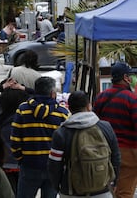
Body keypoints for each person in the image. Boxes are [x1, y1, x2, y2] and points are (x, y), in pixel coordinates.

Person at [48, 91, 121, 198]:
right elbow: (116, 157)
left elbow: (54, 165)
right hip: (102, 189)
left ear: (70, 108)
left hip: (71, 190)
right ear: (89, 106)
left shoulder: (61, 133)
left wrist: (57, 186)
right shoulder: (106, 127)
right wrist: (114, 181)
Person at [10, 76, 70, 198]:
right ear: (53, 94)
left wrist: (21, 159)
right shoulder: (63, 113)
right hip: (54, 167)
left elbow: (15, 140)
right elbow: (69, 142)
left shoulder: (23, 110)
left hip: (29, 165)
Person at [0, 78, 33, 195]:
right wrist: (22, 87)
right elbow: (39, 95)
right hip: (24, 158)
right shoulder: (29, 108)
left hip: (3, 158)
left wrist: (3, 87)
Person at [93, 62, 137, 198]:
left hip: (104, 151)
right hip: (128, 152)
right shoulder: (132, 99)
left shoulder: (101, 97)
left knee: (108, 189)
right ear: (125, 78)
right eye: (130, 75)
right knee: (125, 191)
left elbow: (94, 123)